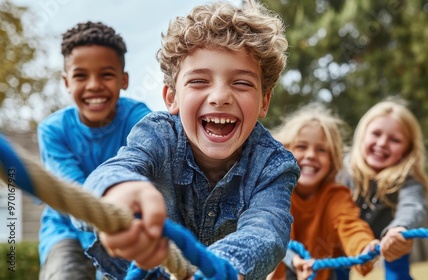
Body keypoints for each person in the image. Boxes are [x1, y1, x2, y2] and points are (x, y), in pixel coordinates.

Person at [78, 1, 300, 279]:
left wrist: (217, 266)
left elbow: (268, 229)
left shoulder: (274, 165)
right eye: (198, 81)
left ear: (264, 102)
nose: (220, 96)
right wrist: (116, 189)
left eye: (241, 83)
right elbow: (116, 170)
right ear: (172, 97)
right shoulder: (158, 136)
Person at [37, 21, 151, 280]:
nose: (93, 85)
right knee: (65, 274)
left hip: (126, 226)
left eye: (106, 74)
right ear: (66, 82)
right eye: (80, 76)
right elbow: (75, 196)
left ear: (124, 80)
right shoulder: (52, 131)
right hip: (65, 229)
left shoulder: (141, 122)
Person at [268, 103, 379, 280]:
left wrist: (364, 247)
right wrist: (292, 258)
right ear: (285, 151)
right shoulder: (273, 191)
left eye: (321, 150)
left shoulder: (336, 195)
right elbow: (270, 231)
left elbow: (350, 225)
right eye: (302, 147)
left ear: (333, 160)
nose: (311, 155)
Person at [340, 99, 428, 280]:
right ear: (362, 135)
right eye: (376, 134)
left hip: (389, 235)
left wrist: (399, 228)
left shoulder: (409, 182)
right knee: (335, 269)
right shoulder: (342, 171)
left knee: (397, 270)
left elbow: (413, 206)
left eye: (395, 140)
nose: (382, 143)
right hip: (341, 238)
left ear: (408, 149)